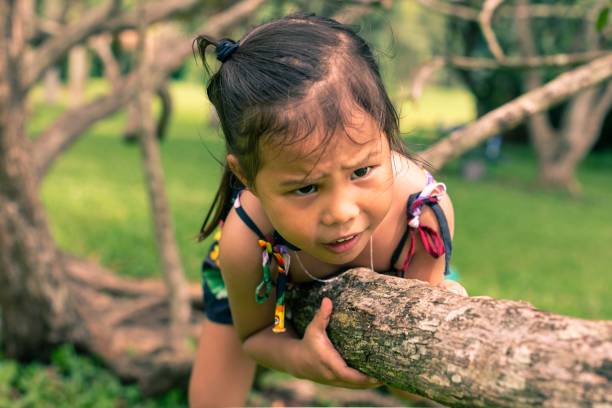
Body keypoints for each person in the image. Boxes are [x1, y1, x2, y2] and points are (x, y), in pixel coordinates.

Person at [188, 13, 466, 407]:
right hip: (268, 269)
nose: (340, 212)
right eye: (305, 187)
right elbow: (255, 335)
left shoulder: (421, 216)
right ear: (246, 177)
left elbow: (410, 385)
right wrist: (300, 359)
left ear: (386, 134)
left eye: (361, 171)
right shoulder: (245, 240)